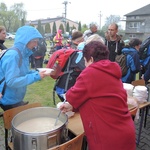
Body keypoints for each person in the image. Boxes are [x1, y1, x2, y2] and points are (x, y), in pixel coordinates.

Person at [60, 41, 136, 150]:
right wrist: (72, 106)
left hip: (108, 140)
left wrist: (70, 102)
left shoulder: (90, 72)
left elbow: (71, 96)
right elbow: (99, 97)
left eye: (85, 61)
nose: (85, 65)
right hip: (126, 132)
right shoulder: (112, 71)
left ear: (90, 59)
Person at [0, 25, 49, 111]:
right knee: (18, 122)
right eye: (34, 41)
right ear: (25, 41)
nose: (36, 45)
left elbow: (23, 73)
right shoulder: (13, 55)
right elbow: (12, 81)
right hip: (9, 99)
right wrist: (36, 76)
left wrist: (37, 73)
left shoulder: (24, 54)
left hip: (16, 97)